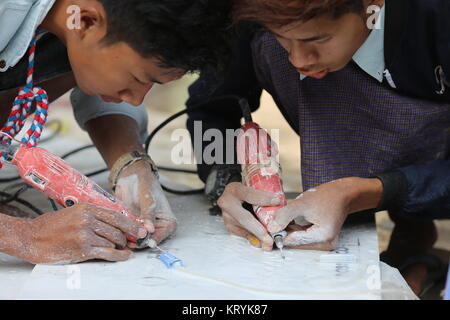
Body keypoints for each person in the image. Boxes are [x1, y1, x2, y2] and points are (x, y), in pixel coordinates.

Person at [185, 0, 449, 295]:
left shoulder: (437, 18)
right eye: (284, 38)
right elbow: (210, 110)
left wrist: (372, 192)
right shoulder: (257, 17)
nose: (299, 59)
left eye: (318, 39)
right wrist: (227, 180)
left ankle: (413, 230)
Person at [0, 0, 230, 264]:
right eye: (137, 78)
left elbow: (95, 84)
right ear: (86, 21)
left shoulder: (82, 22)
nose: (136, 99)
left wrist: (130, 164)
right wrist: (24, 236)